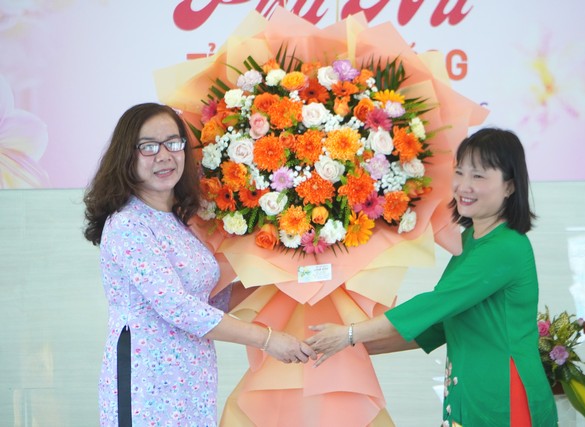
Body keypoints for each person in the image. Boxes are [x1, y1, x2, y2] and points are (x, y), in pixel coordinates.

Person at [83, 102, 316, 426]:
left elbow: (207, 301)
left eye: (172, 142)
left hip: (191, 380)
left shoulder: (177, 222)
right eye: (148, 146)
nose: (164, 155)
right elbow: (178, 307)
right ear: (127, 156)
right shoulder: (128, 224)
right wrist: (266, 339)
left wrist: (285, 276)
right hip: (146, 382)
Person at [306, 128, 558, 426]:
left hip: (503, 393)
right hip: (471, 391)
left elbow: (435, 304)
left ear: (510, 187)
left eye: (478, 176)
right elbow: (440, 325)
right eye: (460, 172)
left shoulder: (505, 246)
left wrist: (350, 334)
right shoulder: (471, 241)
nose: (464, 185)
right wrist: (353, 345)